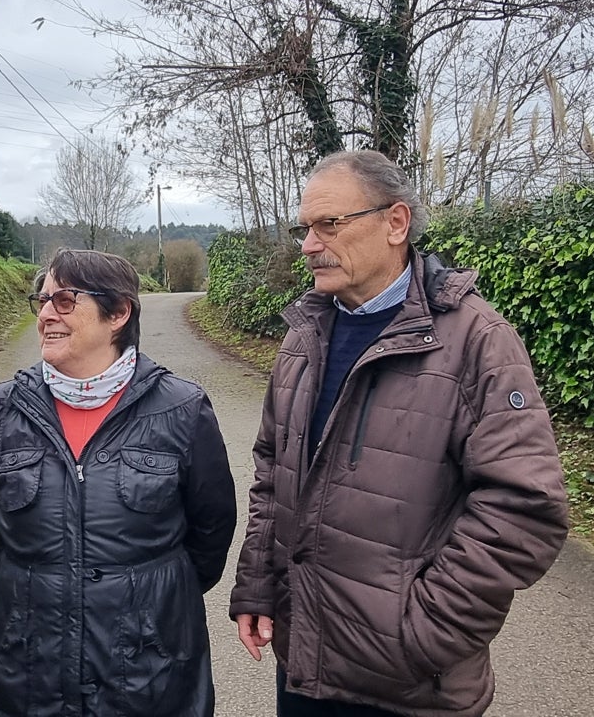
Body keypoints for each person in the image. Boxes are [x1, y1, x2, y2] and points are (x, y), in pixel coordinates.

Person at [230, 150, 569, 716]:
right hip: (304, 666)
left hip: (408, 687)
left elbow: (526, 506)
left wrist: (422, 634)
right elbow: (272, 473)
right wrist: (259, 586)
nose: (309, 244)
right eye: (304, 228)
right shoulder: (304, 336)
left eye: (328, 224)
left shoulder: (477, 341)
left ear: (396, 223)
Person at [0, 249, 237, 716]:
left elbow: (210, 534)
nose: (46, 313)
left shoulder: (183, 409)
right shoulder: (5, 409)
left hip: (150, 671)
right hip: (30, 669)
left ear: (118, 312)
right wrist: (44, 582)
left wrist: (148, 602)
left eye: (64, 300)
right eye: (42, 300)